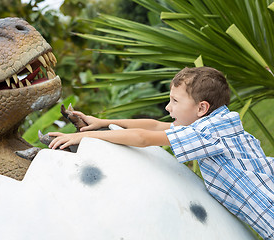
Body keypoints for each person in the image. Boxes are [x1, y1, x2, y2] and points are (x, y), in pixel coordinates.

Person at [48, 66, 274, 239]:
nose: (168, 107)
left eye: (175, 101)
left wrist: (82, 137)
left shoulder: (205, 133)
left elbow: (143, 138)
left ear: (201, 108)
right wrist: (103, 121)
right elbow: (155, 126)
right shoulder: (218, 121)